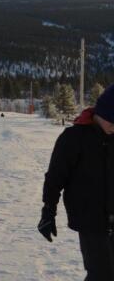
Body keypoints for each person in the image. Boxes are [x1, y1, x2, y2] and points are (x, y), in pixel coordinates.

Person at [39, 84, 114, 279]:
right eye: (112, 121)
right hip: (91, 221)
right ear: (101, 112)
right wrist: (48, 211)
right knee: (101, 274)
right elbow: (55, 177)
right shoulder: (73, 138)